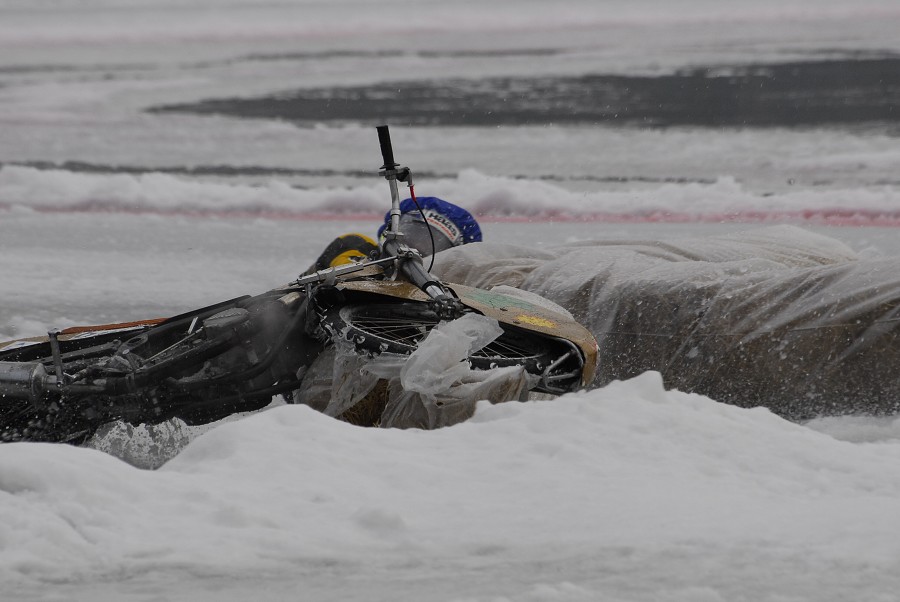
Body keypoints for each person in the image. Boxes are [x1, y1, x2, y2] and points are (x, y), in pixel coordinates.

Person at [305, 197, 482, 276]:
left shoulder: (450, 287)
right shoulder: (354, 245)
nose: (414, 247)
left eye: (430, 244)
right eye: (410, 234)